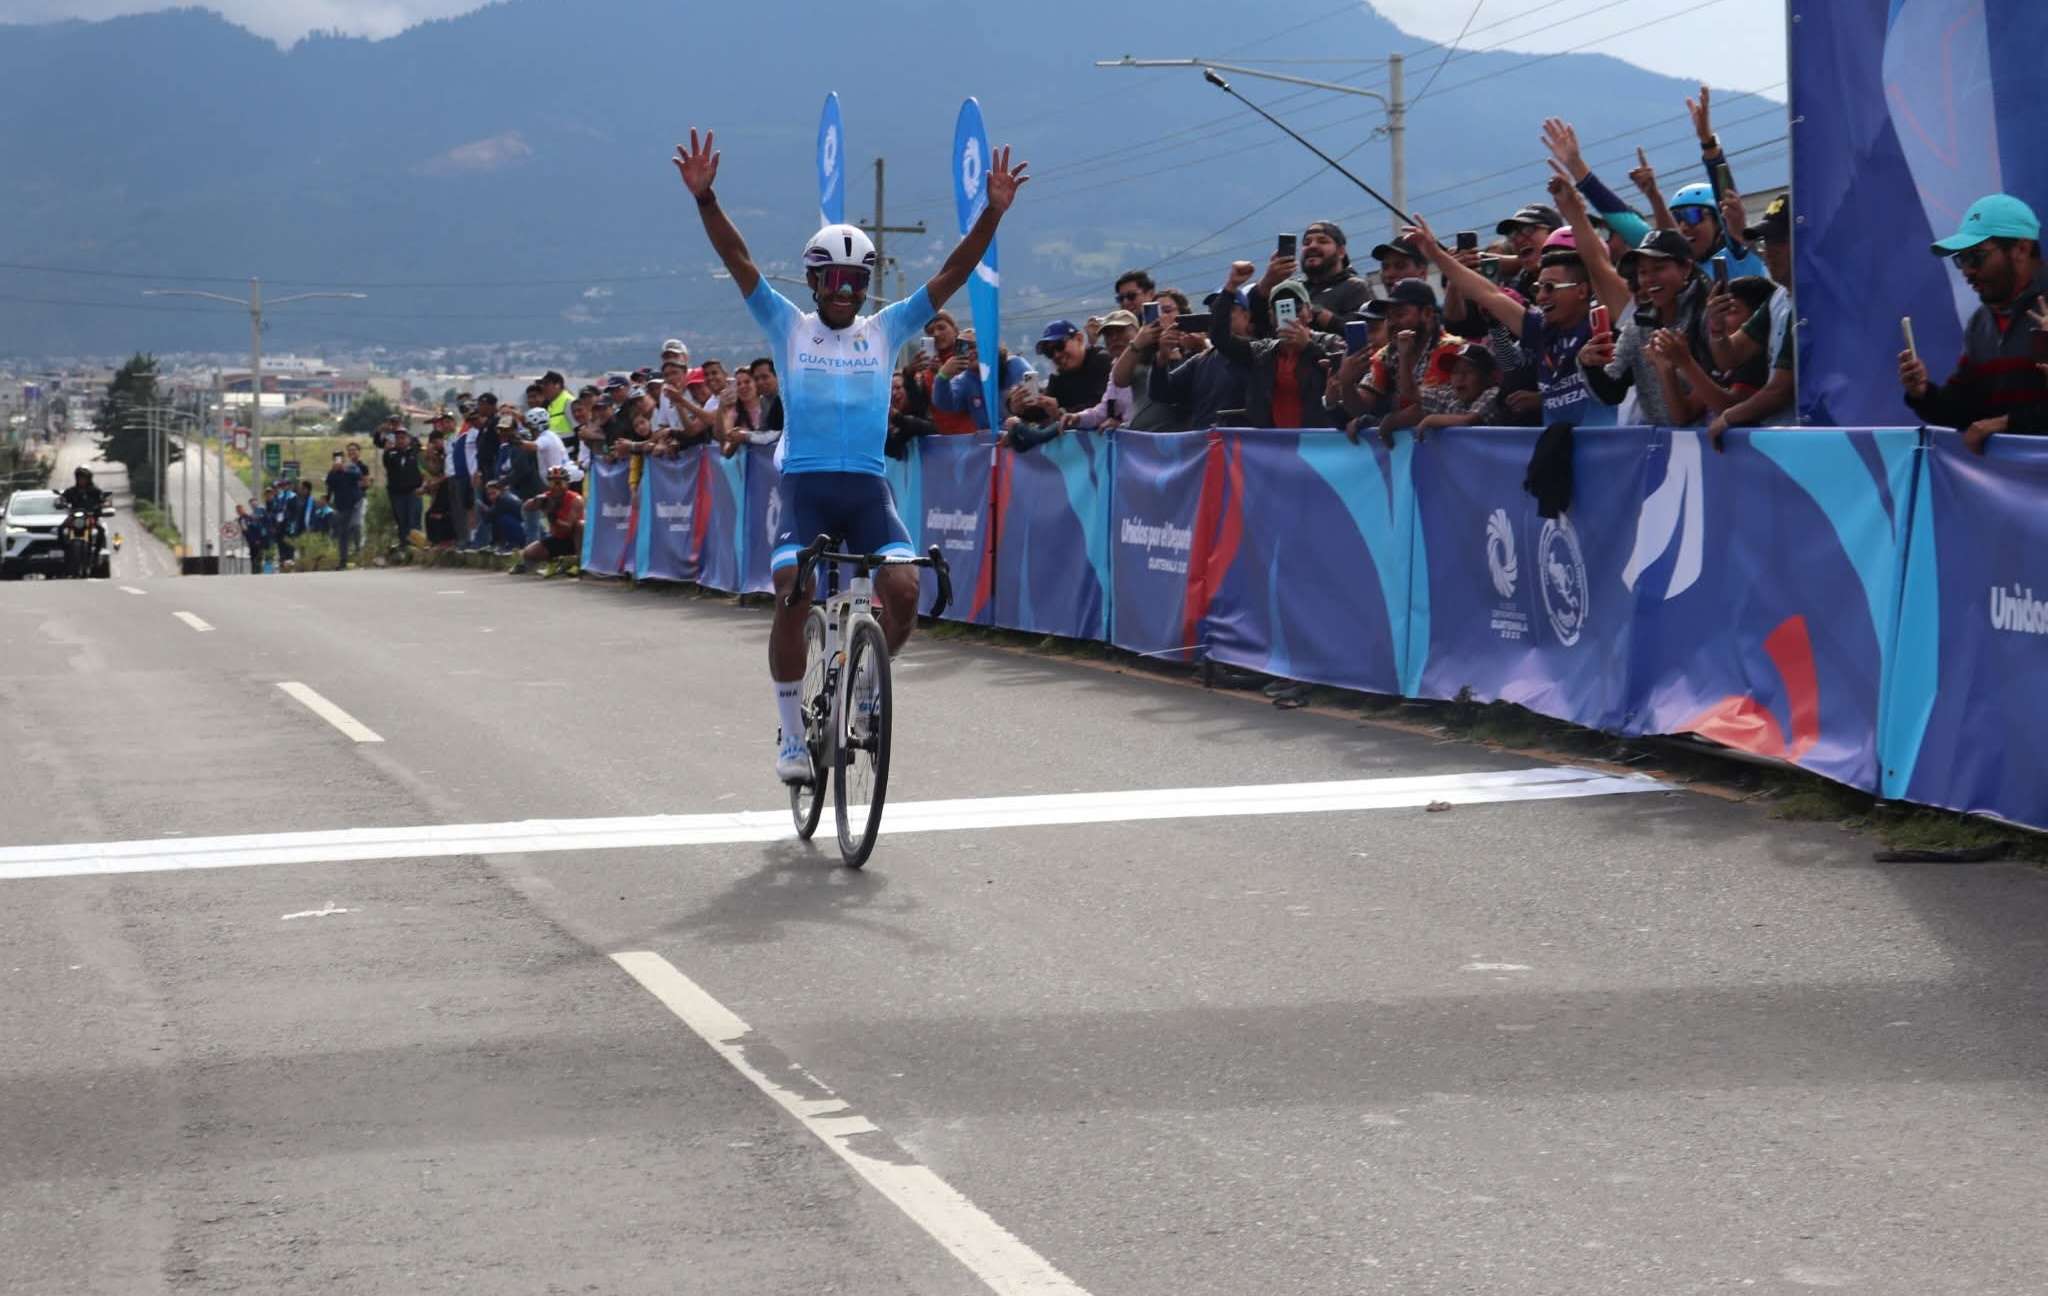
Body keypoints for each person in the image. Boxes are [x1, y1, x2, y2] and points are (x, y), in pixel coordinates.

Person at [673, 124, 1028, 785]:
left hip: (868, 490)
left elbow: (952, 273)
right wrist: (706, 200)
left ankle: (866, 689)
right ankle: (788, 734)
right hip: (805, 489)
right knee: (793, 593)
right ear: (813, 283)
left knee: (903, 589)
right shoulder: (788, 326)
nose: (844, 289)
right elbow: (740, 261)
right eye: (832, 279)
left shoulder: (885, 328)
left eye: (855, 279)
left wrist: (994, 213)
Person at [1409, 172, 1634, 428]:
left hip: (1608, 456)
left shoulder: (1604, 324)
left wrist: (1574, 213)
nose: (1541, 296)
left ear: (1582, 290)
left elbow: (1598, 266)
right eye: (1539, 287)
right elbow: (1488, 294)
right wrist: (1435, 255)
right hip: (1557, 454)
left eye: (1550, 288)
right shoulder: (1542, 328)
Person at [1899, 193, 2048, 452]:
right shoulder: (1981, 323)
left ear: (2021, 250)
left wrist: (2006, 424)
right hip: (2010, 486)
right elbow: (1965, 410)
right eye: (1961, 259)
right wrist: (1923, 394)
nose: (1966, 271)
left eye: (1976, 257)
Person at [509, 464, 583, 576]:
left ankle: (579, 563)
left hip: (575, 539)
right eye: (552, 482)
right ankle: (556, 563)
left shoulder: (575, 499)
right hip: (558, 538)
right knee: (529, 553)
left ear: (567, 483)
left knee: (580, 525)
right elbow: (525, 507)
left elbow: (568, 527)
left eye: (559, 483)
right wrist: (535, 501)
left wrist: (552, 515)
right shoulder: (547, 497)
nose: (556, 487)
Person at [381, 425, 424, 554]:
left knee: (414, 520)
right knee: (402, 521)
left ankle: (417, 547)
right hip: (397, 493)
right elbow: (387, 462)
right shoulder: (391, 453)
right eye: (398, 438)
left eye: (403, 437)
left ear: (408, 438)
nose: (401, 440)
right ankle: (404, 547)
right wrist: (388, 447)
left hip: (414, 491)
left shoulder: (416, 452)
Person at [323, 449, 365, 569]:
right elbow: (329, 485)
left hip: (355, 503)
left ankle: (359, 554)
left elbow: (358, 476)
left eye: (340, 457)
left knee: (356, 527)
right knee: (343, 533)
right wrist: (333, 471)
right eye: (336, 457)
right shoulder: (332, 472)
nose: (338, 460)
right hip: (342, 505)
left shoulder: (351, 467)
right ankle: (343, 560)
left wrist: (344, 469)